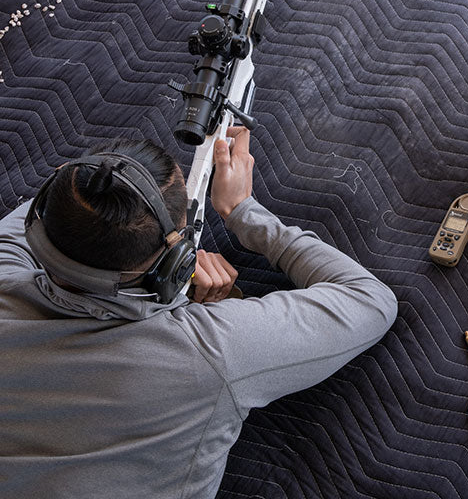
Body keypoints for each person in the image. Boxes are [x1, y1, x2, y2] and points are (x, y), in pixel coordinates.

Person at [0, 127, 398, 498]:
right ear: (176, 262)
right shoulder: (208, 352)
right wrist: (244, 210)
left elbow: (46, 214)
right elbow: (369, 299)